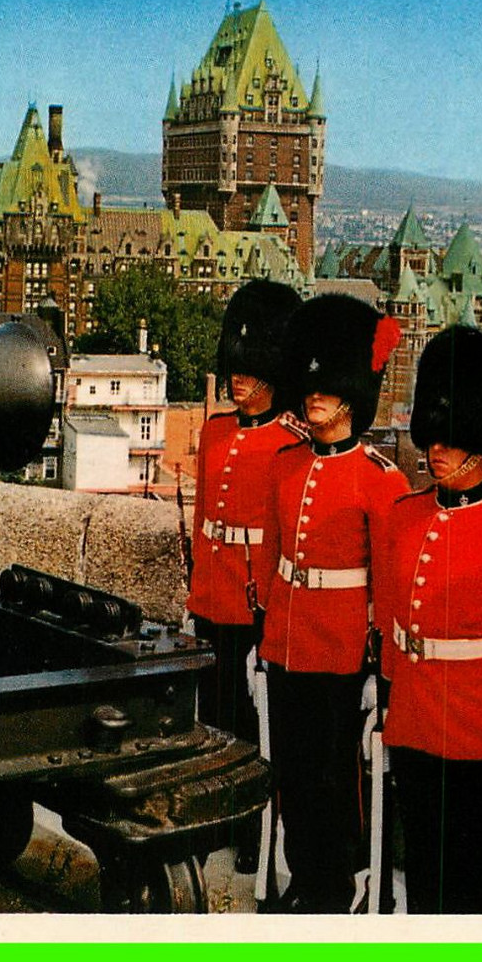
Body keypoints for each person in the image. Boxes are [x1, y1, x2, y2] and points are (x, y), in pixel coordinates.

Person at [374, 326, 482, 914]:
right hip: (412, 721)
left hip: (476, 735)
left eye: (452, 440)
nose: (436, 452)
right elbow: (393, 624)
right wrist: (384, 701)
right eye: (435, 439)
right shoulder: (404, 516)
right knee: (422, 871)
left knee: (470, 884)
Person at [258, 293, 411, 913]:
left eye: (327, 390)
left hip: (343, 649)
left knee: (332, 779)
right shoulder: (286, 466)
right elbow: (273, 562)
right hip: (288, 643)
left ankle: (334, 885)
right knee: (291, 773)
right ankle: (303, 880)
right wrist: (264, 640)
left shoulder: (381, 480)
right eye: (310, 387)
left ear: (352, 397)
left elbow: (392, 589)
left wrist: (382, 671)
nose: (313, 398)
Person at [187, 278, 304, 874]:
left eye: (250, 370)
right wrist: (194, 593)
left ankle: (249, 833)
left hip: (253, 606)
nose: (238, 379)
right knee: (210, 720)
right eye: (236, 367)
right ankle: (212, 823)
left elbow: (286, 543)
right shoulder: (215, 431)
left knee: (248, 731)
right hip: (212, 595)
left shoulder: (290, 446)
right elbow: (205, 517)